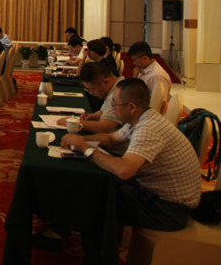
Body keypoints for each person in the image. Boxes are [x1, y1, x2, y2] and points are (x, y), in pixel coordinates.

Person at [59, 78, 200, 259]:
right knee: (101, 184)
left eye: (115, 104)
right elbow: (112, 139)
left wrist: (86, 149)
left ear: (131, 107)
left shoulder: (148, 128)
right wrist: (80, 140)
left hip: (169, 210)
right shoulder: (143, 117)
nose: (112, 109)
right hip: (157, 194)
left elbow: (124, 170)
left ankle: (99, 259)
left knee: (98, 201)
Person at [56, 62, 122, 135]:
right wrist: (93, 116)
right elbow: (104, 111)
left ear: (106, 82)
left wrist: (73, 123)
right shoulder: (116, 86)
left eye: (93, 89)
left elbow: (104, 128)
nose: (91, 93)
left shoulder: (118, 95)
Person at [129, 41, 171, 107]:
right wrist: (135, 76)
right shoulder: (142, 69)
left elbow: (160, 103)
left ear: (145, 58)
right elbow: (133, 90)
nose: (133, 63)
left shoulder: (157, 75)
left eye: (134, 60)